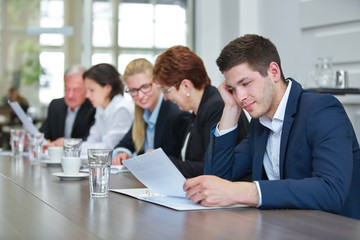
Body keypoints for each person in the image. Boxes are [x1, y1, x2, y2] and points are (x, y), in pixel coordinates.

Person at [183, 34, 360, 220]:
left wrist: (249, 192)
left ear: (274, 72)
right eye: (233, 89)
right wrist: (230, 109)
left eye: (245, 83)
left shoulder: (321, 109)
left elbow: (331, 191)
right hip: (284, 228)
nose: (240, 96)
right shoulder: (259, 124)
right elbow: (217, 180)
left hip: (335, 229)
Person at [153, 46, 249, 178]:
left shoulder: (216, 106)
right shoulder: (199, 109)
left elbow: (207, 168)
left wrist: (164, 162)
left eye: (166, 90)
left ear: (186, 85)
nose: (165, 97)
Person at [112, 58, 190, 165]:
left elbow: (182, 161)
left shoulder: (177, 115)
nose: (140, 95)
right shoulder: (143, 114)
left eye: (145, 87)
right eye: (133, 90)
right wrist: (122, 152)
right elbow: (126, 143)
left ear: (157, 83)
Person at [40, 65, 95, 146]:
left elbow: (93, 141)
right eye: (67, 89)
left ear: (87, 89)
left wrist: (68, 143)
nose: (70, 95)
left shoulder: (94, 108)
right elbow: (43, 134)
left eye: (76, 90)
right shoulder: (55, 105)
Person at [82, 63, 133, 150]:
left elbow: (108, 147)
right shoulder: (101, 108)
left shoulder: (122, 108)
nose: (87, 95)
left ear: (107, 88)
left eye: (91, 90)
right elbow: (92, 140)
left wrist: (75, 146)